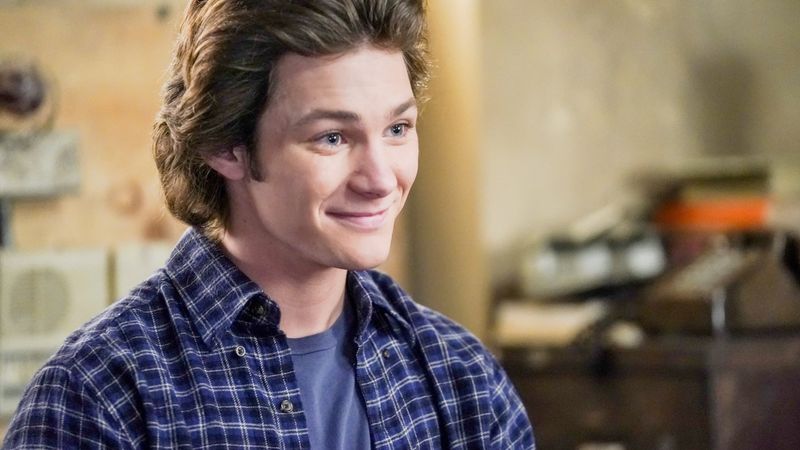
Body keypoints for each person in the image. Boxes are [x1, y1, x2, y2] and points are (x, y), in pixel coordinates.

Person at [3, 0, 535, 448]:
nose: (381, 179)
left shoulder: (464, 380)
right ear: (225, 146)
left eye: (397, 128)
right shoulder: (98, 396)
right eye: (332, 137)